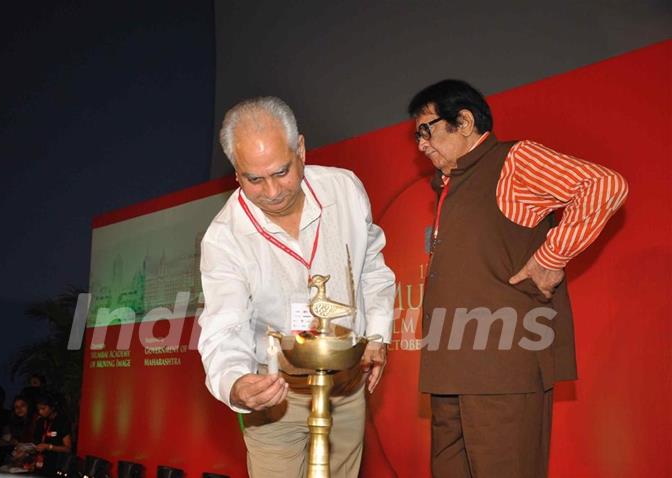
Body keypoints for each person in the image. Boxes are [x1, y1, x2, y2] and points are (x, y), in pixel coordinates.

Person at [408, 79, 628, 478]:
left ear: (465, 121)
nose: (421, 144)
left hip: (503, 365)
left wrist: (552, 256)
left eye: (427, 129)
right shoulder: (451, 186)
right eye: (416, 135)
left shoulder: (513, 160)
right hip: (449, 369)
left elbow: (604, 186)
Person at [197, 96, 396, 477]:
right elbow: (224, 328)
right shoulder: (224, 238)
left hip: (345, 386)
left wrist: (377, 335)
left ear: (301, 149)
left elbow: (372, 267)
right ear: (236, 172)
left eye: (281, 171)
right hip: (275, 392)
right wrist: (236, 384)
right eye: (254, 179)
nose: (272, 191)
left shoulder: (345, 190)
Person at [32, 392, 71, 476]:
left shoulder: (62, 421)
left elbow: (67, 448)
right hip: (39, 465)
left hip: (56, 466)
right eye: (38, 409)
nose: (40, 412)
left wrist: (48, 446)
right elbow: (36, 443)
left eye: (43, 408)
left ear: (52, 407)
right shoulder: (40, 421)